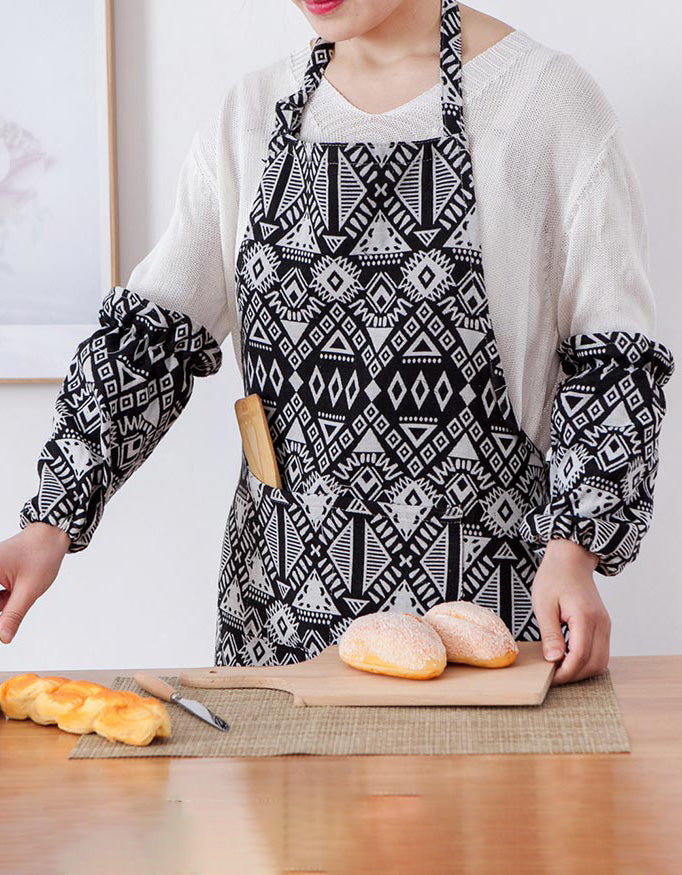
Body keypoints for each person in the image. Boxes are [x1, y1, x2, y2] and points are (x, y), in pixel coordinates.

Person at [0, 0, 674, 686]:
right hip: (279, 648)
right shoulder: (253, 114)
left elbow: (614, 362)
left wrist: (574, 547)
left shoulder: (546, 105)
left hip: (483, 647)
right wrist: (49, 522)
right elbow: (149, 342)